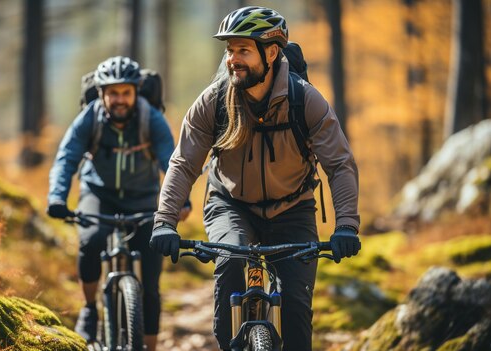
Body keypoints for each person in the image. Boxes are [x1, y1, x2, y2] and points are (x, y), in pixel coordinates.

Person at [150, 6, 360, 351]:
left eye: (243, 50)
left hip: (293, 207)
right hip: (230, 204)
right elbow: (184, 163)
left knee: (295, 309)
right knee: (230, 265)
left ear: (271, 52)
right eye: (229, 50)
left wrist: (347, 226)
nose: (233, 59)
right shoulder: (215, 101)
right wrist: (164, 222)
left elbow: (339, 164)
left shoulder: (304, 101)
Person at [47, 56, 190, 350]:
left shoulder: (151, 119)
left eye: (125, 92)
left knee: (150, 283)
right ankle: (89, 308)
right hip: (98, 195)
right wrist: (57, 197)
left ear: (136, 92)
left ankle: (149, 346)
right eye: (112, 93)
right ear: (101, 94)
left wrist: (182, 199)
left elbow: (171, 161)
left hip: (144, 198)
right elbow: (66, 158)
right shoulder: (90, 118)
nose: (119, 99)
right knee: (91, 240)